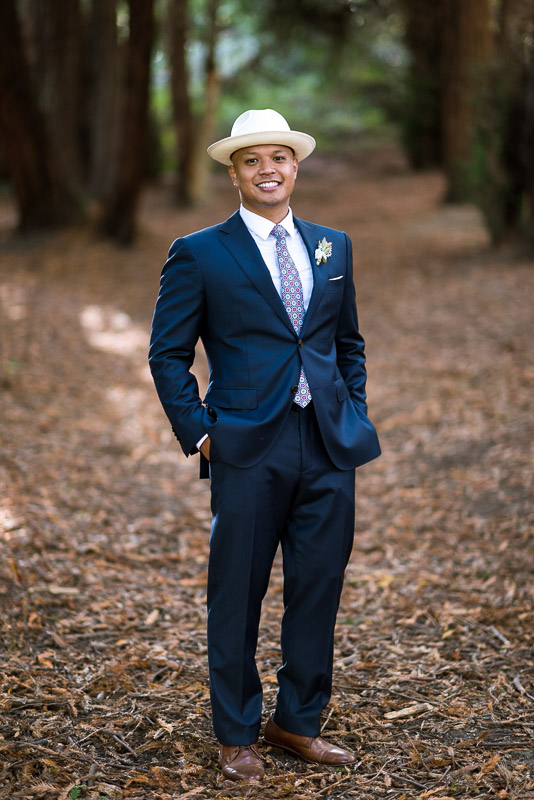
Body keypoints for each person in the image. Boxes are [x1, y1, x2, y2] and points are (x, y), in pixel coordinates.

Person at [149, 109, 380, 782]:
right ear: (234, 173)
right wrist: (201, 433)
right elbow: (168, 355)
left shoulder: (332, 245)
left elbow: (348, 344)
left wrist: (352, 410)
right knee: (237, 590)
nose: (268, 169)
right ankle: (236, 731)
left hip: (329, 444)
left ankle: (297, 722)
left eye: (278, 157)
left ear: (295, 166)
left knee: (318, 589)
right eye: (252, 160)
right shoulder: (199, 251)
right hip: (246, 447)